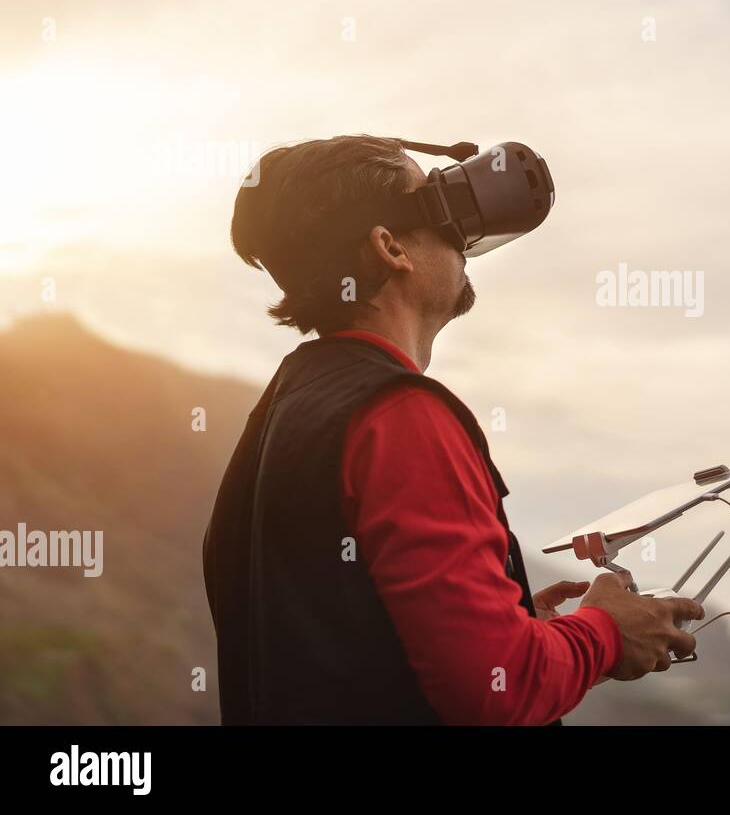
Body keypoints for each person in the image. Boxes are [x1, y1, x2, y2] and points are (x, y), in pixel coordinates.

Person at [203, 134, 701, 724]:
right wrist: (605, 634)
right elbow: (501, 690)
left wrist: (511, 624)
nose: (463, 236)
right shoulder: (400, 415)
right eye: (437, 199)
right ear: (390, 247)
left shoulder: (282, 409)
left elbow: (337, 641)